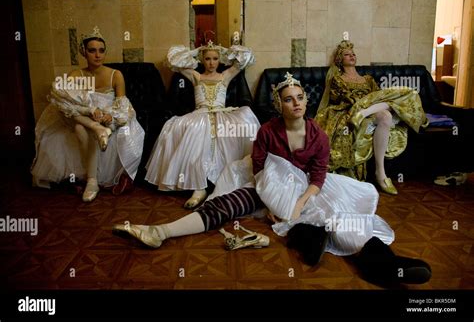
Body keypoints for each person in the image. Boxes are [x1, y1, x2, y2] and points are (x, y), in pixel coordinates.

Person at [113, 73, 431, 286]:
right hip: (265, 182)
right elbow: (261, 168)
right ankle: (161, 231)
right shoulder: (267, 131)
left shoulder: (317, 134)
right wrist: (272, 201)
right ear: (280, 104)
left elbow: (319, 173)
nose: (295, 102)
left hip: (308, 184)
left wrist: (303, 199)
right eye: (288, 98)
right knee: (228, 203)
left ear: (306, 100)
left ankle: (385, 265)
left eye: (300, 97)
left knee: (337, 214)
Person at [31, 26, 145, 202]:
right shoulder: (77, 74)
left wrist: (110, 116)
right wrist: (91, 113)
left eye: (101, 51)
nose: (97, 55)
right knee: (69, 114)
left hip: (105, 118)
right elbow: (64, 100)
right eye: (92, 51)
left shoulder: (116, 75)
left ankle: (92, 179)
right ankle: (92, 179)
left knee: (80, 126)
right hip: (85, 118)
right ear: (84, 52)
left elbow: (122, 104)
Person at [144, 41, 260, 209]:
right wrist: (196, 51)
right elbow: (174, 60)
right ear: (202, 60)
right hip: (200, 114)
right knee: (188, 132)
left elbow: (245, 57)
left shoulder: (225, 75)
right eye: (207, 58)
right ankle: (199, 188)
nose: (211, 63)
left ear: (220, 60)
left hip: (222, 114)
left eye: (215, 58)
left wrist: (225, 51)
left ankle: (226, 183)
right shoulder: (196, 77)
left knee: (245, 120)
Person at [315, 40, 428, 195]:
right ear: (340, 60)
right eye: (347, 54)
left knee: (398, 104)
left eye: (353, 54)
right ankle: (381, 174)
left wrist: (367, 108)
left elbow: (380, 98)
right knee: (385, 112)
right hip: (350, 110)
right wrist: (360, 104)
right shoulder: (337, 79)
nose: (352, 56)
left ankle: (380, 171)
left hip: (369, 111)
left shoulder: (368, 79)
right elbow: (339, 99)